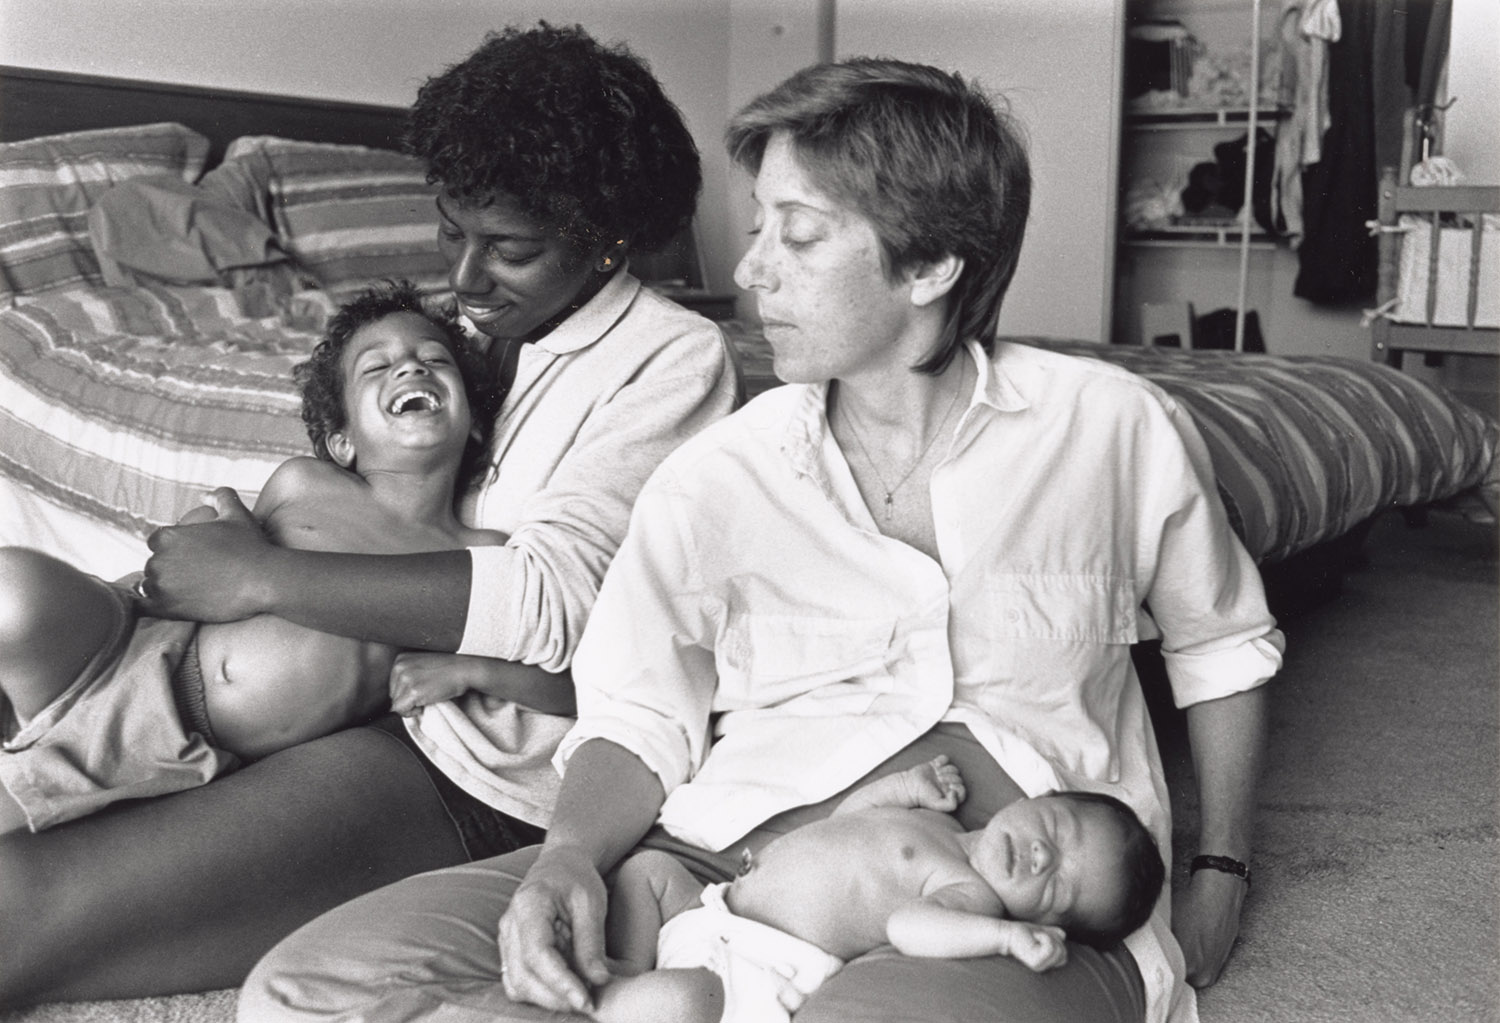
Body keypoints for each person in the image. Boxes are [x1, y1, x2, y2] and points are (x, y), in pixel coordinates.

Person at [238, 56, 1282, 1023]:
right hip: (708, 867)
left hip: (1000, 903)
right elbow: (638, 709)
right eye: (758, 229)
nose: (749, 272)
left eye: (797, 232)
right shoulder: (718, 475)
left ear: (927, 267)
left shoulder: (1110, 427)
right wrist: (563, 863)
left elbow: (1220, 642)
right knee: (302, 991)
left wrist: (1220, 870)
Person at [0, 23, 738, 1009]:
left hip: (478, 774)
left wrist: (260, 578)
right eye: (449, 231)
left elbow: (560, 601)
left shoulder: (671, 358)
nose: (466, 282)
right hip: (352, 699)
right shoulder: (472, 339)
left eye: (509, 248)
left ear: (607, 237)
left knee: (17, 915)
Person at [0, 281, 525, 832]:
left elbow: (561, 678)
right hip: (132, 648)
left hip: (189, 753)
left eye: (434, 359)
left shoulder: (478, 555)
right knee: (16, 591)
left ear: (476, 426)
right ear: (342, 441)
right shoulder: (306, 483)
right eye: (377, 367)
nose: (411, 368)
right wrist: (210, 525)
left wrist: (470, 670)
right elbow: (208, 554)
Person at [590, 755, 1165, 1023]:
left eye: (1059, 885)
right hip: (716, 909)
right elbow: (844, 822)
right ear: (1032, 798)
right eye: (1057, 831)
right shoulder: (945, 826)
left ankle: (594, 1008)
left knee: (682, 1001)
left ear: (1048, 924)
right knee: (646, 872)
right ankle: (621, 972)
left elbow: (906, 927)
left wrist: (1003, 937)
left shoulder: (968, 893)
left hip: (749, 970)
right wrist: (903, 787)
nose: (1042, 856)